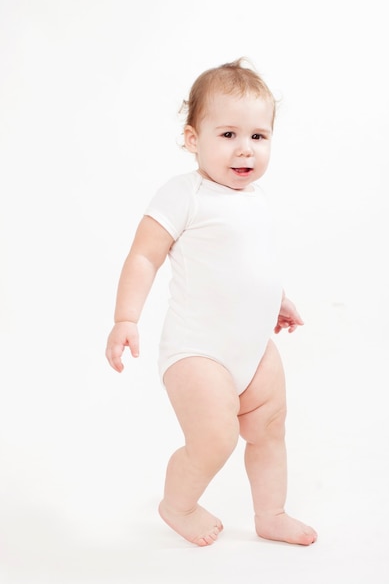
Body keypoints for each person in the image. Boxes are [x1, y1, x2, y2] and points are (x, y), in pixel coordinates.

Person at [105, 58, 317, 547]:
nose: (245, 149)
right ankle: (177, 504)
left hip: (253, 349)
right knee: (215, 439)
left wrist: (277, 300)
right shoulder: (185, 195)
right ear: (192, 139)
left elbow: (251, 263)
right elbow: (142, 256)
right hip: (198, 353)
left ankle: (272, 512)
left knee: (270, 428)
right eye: (227, 135)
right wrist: (125, 317)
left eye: (258, 137)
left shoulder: (255, 198)